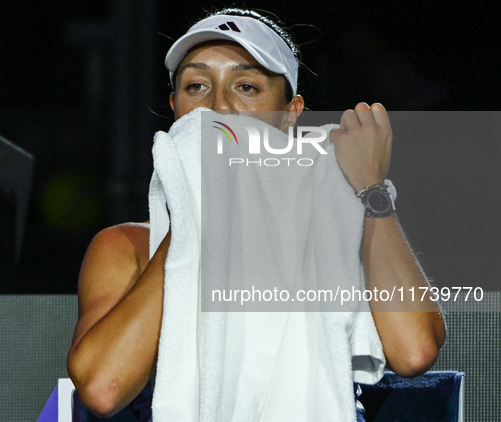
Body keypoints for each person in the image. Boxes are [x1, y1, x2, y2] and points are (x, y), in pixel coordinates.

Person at [67, 8, 446, 420]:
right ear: (176, 108)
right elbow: (103, 388)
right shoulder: (127, 246)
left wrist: (371, 189)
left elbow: (414, 352)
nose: (218, 106)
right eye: (196, 86)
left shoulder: (339, 228)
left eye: (246, 86)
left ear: (290, 113)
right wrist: (198, 218)